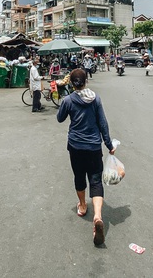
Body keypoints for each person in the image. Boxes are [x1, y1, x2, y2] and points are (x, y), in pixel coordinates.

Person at [56, 69, 115, 246]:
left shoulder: (68, 100)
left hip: (75, 146)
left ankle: (82, 205)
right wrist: (109, 145)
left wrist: (63, 97)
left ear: (72, 83)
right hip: (94, 147)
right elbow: (102, 123)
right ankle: (97, 216)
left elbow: (60, 118)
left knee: (79, 177)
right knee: (95, 180)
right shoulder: (95, 99)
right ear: (86, 81)